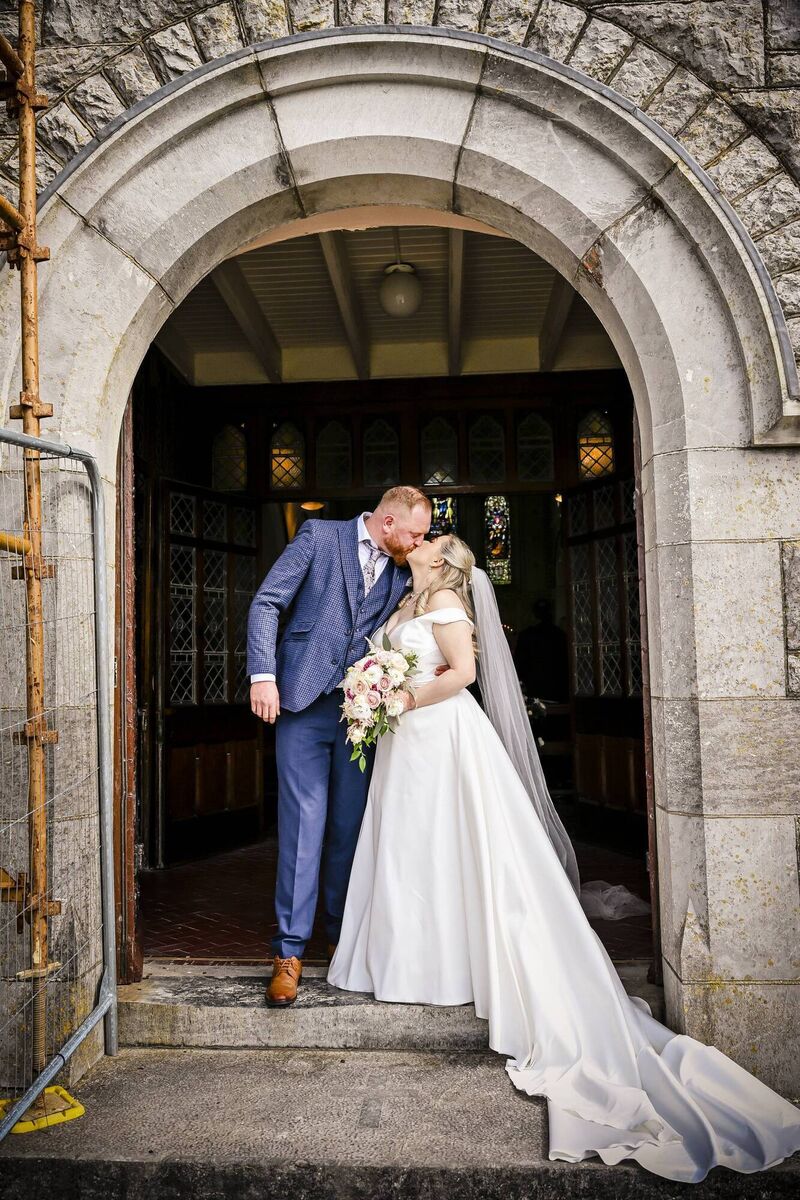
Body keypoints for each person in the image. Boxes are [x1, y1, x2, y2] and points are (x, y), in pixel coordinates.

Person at [327, 533, 800, 1183]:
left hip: (442, 738)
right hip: (404, 744)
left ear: (440, 560)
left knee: (446, 849)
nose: (422, 539)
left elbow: (463, 675)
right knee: (408, 851)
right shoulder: (408, 598)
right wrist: (375, 691)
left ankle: (451, 965)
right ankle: (409, 959)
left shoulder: (447, 604)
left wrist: (402, 697)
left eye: (433, 539)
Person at [247, 486, 432, 1007]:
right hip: (302, 704)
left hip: (363, 714)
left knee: (350, 828)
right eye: (415, 533)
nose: (420, 543)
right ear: (388, 523)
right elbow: (268, 601)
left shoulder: (406, 570)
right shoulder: (318, 537)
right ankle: (289, 952)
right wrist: (263, 675)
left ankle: (341, 937)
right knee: (303, 825)